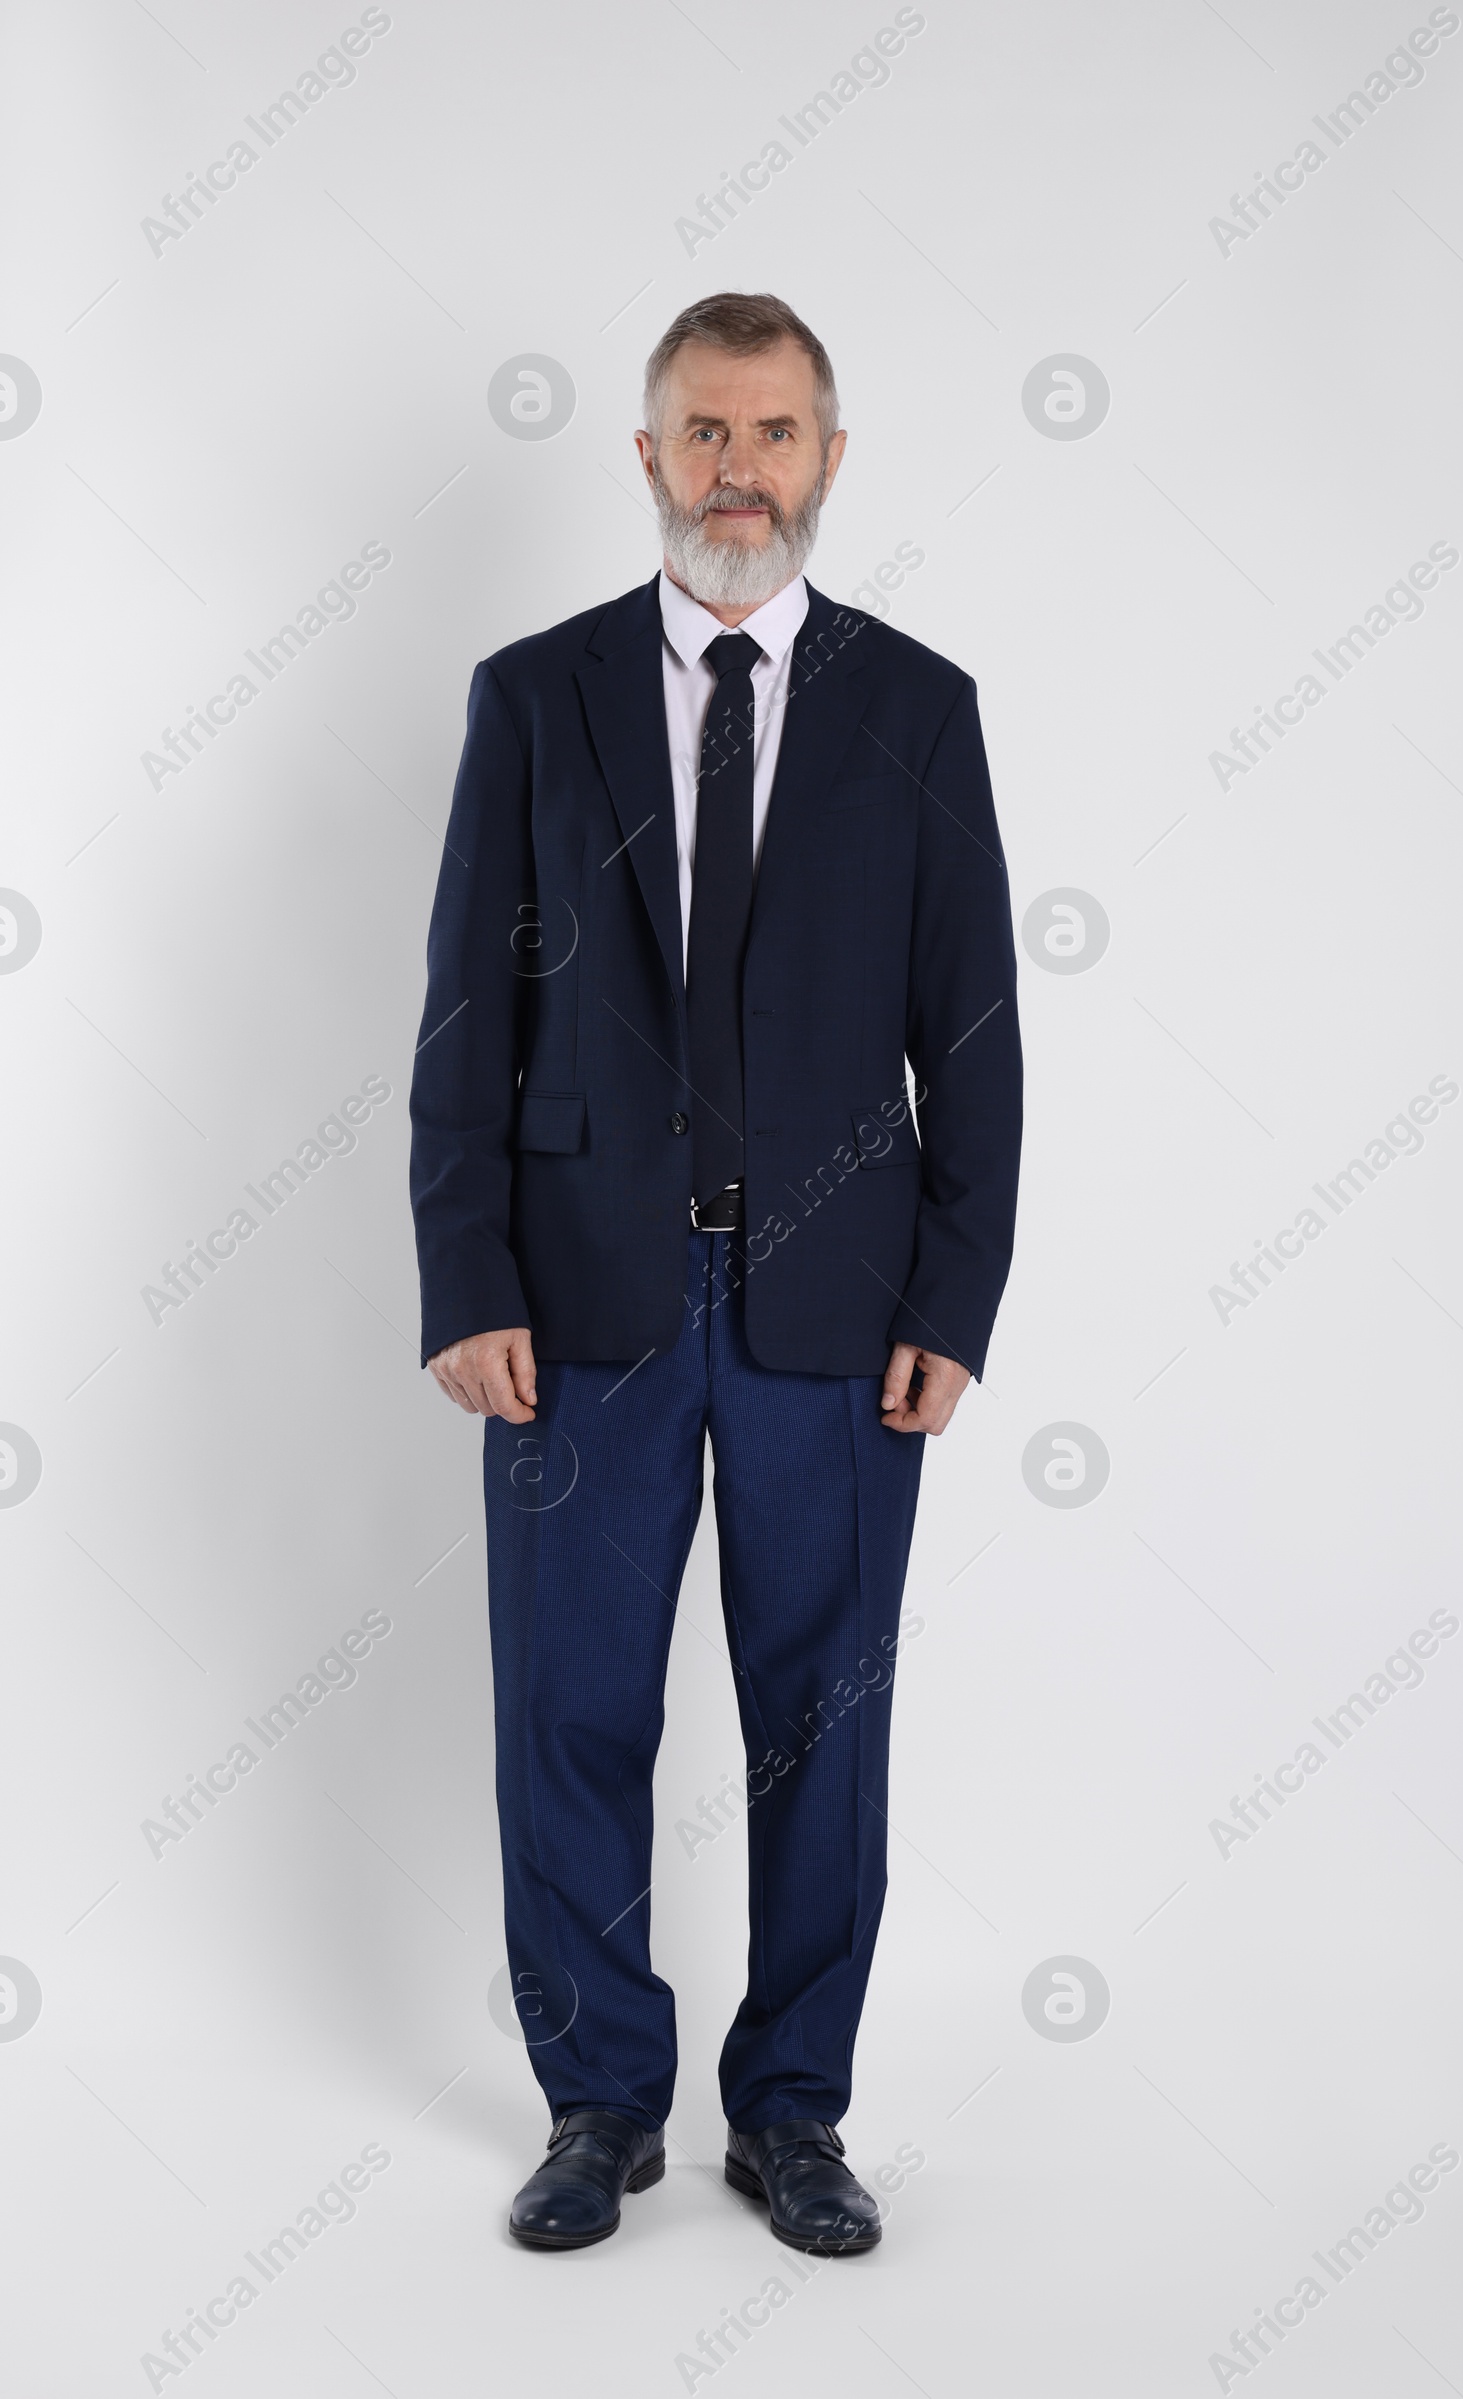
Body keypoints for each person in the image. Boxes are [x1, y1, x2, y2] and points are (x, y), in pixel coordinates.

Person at [409, 291, 1022, 2254]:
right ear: (648, 457)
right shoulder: (537, 697)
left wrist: (948, 1301)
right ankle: (599, 2106)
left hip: (834, 1323)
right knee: (570, 1710)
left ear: (826, 457)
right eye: (700, 430)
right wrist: (462, 1276)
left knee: (818, 1723)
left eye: (772, 432)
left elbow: (976, 1035)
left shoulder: (917, 709)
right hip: (575, 1312)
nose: (735, 468)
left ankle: (793, 2115)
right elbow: (462, 1022)